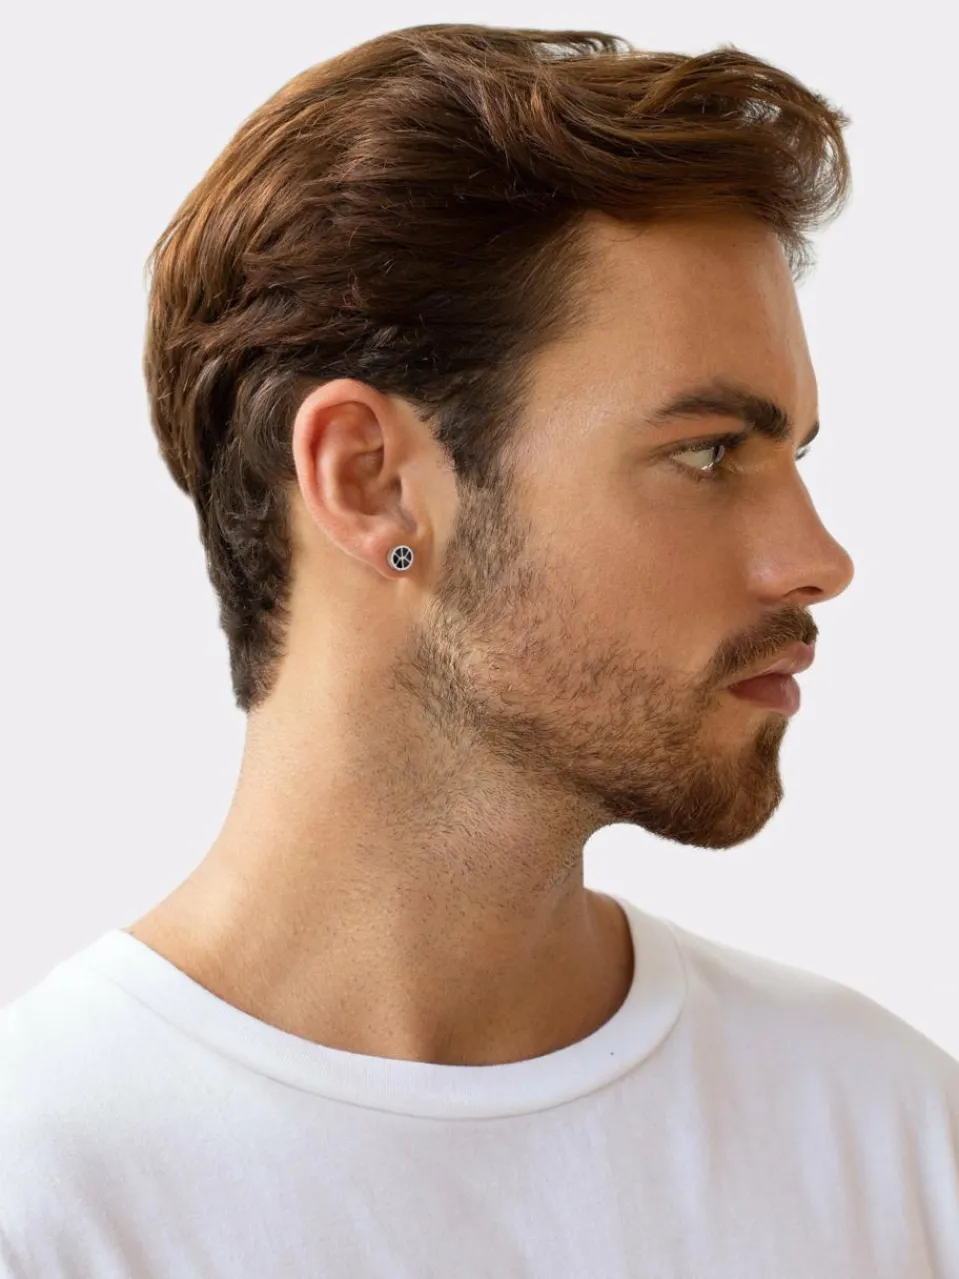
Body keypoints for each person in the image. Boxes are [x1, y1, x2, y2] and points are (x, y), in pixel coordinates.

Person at [2, 21, 957, 1278]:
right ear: (371, 482)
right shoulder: (46, 1195)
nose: (817, 558)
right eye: (708, 451)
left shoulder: (889, 1136)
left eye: (794, 456)